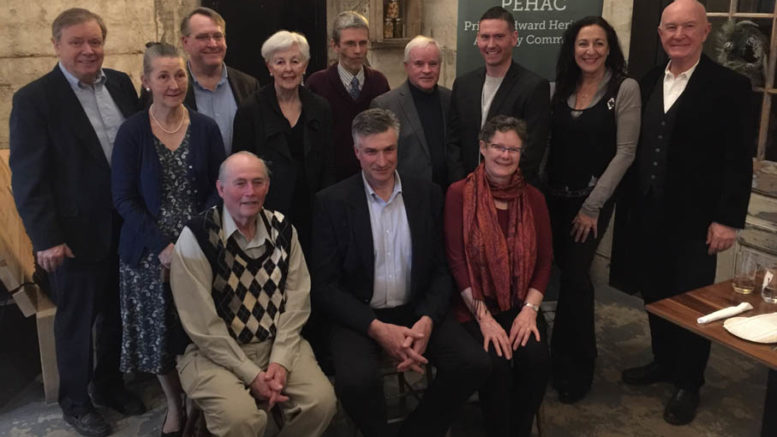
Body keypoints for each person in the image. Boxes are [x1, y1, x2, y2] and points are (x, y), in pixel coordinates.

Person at [613, 0, 754, 425]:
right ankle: (663, 363)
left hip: (698, 219)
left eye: (687, 27)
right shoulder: (648, 80)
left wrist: (729, 219)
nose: (678, 35)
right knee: (655, 295)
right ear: (660, 34)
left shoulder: (730, 85)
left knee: (692, 301)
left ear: (705, 31)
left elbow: (738, 158)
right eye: (670, 28)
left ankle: (689, 381)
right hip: (649, 212)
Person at [312, 108, 489, 437]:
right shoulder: (331, 202)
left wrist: (427, 320)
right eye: (371, 152)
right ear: (356, 153)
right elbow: (325, 286)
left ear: (398, 147)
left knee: (473, 363)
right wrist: (377, 329)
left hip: (416, 308)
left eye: (388, 149)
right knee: (356, 381)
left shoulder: (427, 194)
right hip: (360, 314)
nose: (381, 161)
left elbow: (441, 268)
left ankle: (417, 431)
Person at [9, 8, 144, 437]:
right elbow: (30, 178)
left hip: (125, 227)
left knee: (117, 315)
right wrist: (46, 238)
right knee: (75, 321)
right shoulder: (35, 99)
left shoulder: (121, 84)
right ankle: (75, 401)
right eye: (77, 43)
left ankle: (108, 385)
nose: (88, 50)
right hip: (72, 236)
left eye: (95, 42)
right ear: (56, 45)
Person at [170, 152, 336, 437]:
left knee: (321, 403)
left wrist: (279, 361)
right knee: (241, 419)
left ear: (267, 187)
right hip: (211, 352)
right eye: (240, 183)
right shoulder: (197, 236)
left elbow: (297, 301)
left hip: (275, 343)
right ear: (221, 189)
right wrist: (252, 375)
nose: (250, 192)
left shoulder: (284, 229)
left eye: (258, 182)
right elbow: (203, 326)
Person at [111, 43, 225, 437]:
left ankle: (199, 400)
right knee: (159, 340)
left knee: (199, 332)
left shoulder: (205, 128)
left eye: (179, 75)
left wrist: (189, 243)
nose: (173, 84)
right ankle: (175, 405)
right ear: (146, 81)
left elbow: (218, 189)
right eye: (163, 76)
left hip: (197, 248)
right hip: (147, 252)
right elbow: (123, 197)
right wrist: (162, 246)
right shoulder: (132, 132)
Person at [546, 16, 640, 404]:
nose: (590, 51)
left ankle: (577, 366)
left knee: (576, 281)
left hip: (591, 202)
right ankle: (547, 358)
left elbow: (626, 152)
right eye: (583, 43)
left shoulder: (625, 88)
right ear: (572, 47)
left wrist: (592, 207)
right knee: (554, 276)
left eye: (598, 43)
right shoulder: (559, 88)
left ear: (609, 47)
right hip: (552, 196)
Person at [444, 115, 552, 437]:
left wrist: (529, 312)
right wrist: (485, 318)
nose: (505, 156)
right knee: (497, 363)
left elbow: (545, 262)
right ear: (482, 147)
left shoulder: (534, 198)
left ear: (522, 153)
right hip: (474, 306)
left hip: (521, 305)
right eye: (498, 147)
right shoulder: (459, 193)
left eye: (513, 149)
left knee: (536, 359)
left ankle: (517, 430)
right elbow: (456, 261)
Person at [233, 30, 334, 254]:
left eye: (295, 61)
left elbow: (329, 165)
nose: (288, 69)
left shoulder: (321, 107)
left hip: (313, 215)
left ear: (305, 65)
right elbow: (240, 170)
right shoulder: (250, 110)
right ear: (269, 67)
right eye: (280, 62)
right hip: (266, 216)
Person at [447, 6, 550, 186]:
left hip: (511, 192)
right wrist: (464, 183)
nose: (491, 44)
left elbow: (532, 150)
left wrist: (497, 187)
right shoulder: (463, 84)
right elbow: (453, 142)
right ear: (478, 39)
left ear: (514, 38)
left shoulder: (534, 87)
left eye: (499, 37)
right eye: (485, 37)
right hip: (468, 188)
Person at [306, 11, 390, 182]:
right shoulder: (317, 84)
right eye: (350, 44)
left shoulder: (379, 82)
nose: (358, 51)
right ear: (334, 45)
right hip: (331, 182)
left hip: (372, 179)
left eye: (363, 43)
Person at [371, 36, 451, 189]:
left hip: (445, 192)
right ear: (406, 66)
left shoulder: (450, 99)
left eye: (433, 64)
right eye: (419, 64)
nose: (427, 70)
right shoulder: (385, 105)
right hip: (405, 194)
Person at [179, 7, 260, 154]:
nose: (213, 44)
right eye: (203, 37)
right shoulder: (171, 89)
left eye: (218, 36)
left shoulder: (248, 85)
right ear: (185, 42)